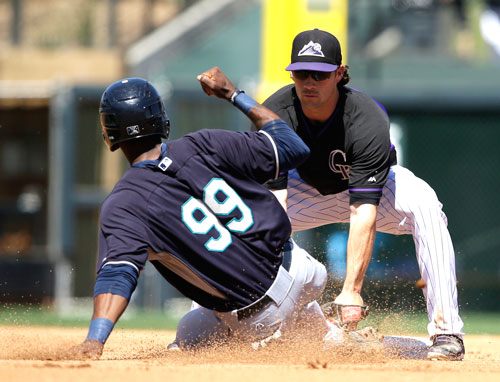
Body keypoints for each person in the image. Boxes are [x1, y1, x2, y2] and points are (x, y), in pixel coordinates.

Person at [68, 66, 345, 360]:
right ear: (159, 118)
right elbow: (292, 147)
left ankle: (297, 331)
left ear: (110, 132)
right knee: (193, 327)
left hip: (261, 316)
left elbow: (117, 275)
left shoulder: (124, 204)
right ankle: (335, 337)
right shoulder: (203, 143)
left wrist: (95, 340)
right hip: (304, 271)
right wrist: (232, 94)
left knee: (182, 349)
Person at [260, 28, 465, 361]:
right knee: (240, 218)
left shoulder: (366, 117)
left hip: (377, 191)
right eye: (300, 73)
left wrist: (351, 291)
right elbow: (274, 204)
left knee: (425, 204)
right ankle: (217, 324)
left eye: (320, 73)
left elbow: (362, 211)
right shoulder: (275, 113)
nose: (309, 82)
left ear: (339, 73)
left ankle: (447, 332)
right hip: (305, 189)